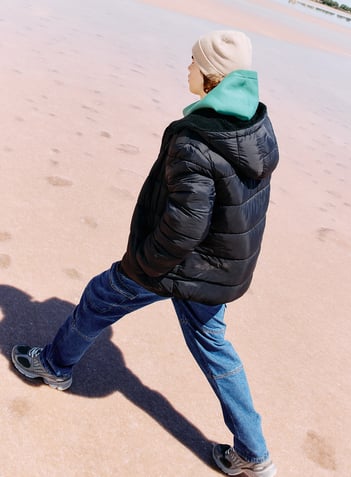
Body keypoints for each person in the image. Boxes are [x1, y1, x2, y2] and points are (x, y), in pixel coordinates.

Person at [12, 30, 279, 477]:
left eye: (193, 63)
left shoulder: (196, 140)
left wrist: (139, 267)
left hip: (181, 265)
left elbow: (184, 227)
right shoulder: (256, 125)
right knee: (214, 347)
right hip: (224, 267)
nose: (188, 69)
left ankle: (54, 367)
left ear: (212, 76)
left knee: (101, 295)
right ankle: (253, 454)